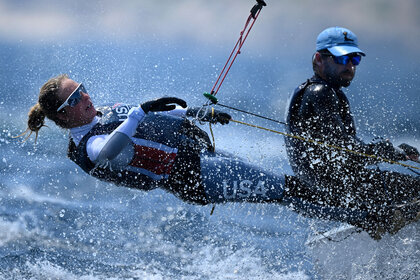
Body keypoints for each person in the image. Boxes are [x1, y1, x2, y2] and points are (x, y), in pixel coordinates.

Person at [22, 74, 288, 206]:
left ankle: (325, 208)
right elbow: (107, 152)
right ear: (64, 115)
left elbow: (152, 118)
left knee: (283, 187)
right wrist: (140, 111)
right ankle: (328, 206)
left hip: (200, 157)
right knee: (284, 190)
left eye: (82, 90)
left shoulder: (102, 113)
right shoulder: (89, 146)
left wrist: (194, 112)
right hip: (194, 177)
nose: (87, 97)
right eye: (76, 99)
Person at [285, 26, 420, 236]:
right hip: (331, 189)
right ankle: (385, 227)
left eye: (354, 59)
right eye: (341, 59)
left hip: (339, 183)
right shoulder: (320, 92)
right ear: (319, 59)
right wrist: (387, 150)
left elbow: (342, 150)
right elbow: (343, 149)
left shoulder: (323, 91)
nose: (349, 66)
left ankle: (383, 222)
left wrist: (392, 150)